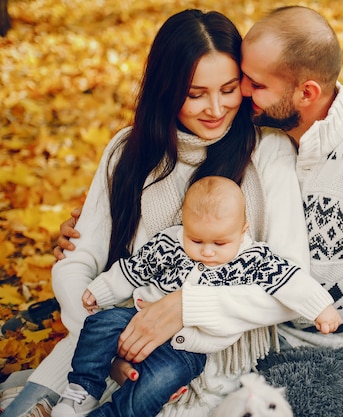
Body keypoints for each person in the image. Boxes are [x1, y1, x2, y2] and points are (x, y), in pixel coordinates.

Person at [57, 5, 343, 417]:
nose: (234, 102)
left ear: (305, 92)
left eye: (245, 85)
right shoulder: (264, 137)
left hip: (286, 344)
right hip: (158, 323)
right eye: (235, 83)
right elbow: (95, 251)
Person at [2, 9, 315, 417]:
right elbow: (79, 258)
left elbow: (290, 283)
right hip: (104, 345)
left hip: (213, 357)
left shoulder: (267, 152)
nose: (216, 108)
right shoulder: (128, 150)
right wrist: (100, 343)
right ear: (166, 90)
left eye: (228, 88)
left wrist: (187, 306)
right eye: (194, 93)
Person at [50, 176, 339, 417]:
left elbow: (289, 279)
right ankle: (83, 389)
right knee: (101, 324)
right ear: (184, 225)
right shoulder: (170, 242)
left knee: (157, 384)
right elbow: (135, 269)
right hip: (141, 316)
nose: (207, 251)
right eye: (196, 240)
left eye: (220, 242)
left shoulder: (253, 258)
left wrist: (320, 307)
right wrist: (101, 290)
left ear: (242, 230)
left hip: (188, 348)